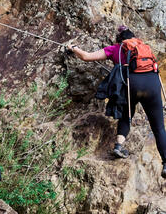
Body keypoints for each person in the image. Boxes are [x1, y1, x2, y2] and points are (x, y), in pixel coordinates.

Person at [69, 27, 166, 178]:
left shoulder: (116, 48)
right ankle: (165, 164)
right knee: (158, 127)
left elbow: (86, 57)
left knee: (126, 115)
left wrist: (73, 48)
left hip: (132, 85)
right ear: (133, 38)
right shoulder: (144, 48)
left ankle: (119, 146)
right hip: (152, 85)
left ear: (119, 40)